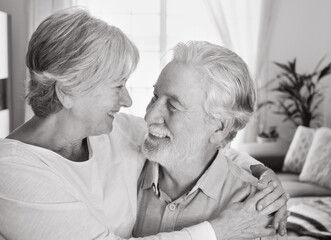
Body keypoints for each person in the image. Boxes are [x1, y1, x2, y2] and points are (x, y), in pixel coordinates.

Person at [0, 8, 286, 240]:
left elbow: (201, 144)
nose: (128, 101)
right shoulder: (11, 172)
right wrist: (221, 230)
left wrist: (261, 173)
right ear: (67, 92)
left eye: (171, 104)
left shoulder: (111, 131)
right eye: (116, 86)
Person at [133, 41, 288, 240]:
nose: (149, 116)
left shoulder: (255, 209)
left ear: (219, 128)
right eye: (155, 97)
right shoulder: (124, 172)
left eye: (173, 106)